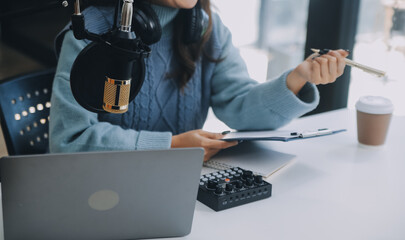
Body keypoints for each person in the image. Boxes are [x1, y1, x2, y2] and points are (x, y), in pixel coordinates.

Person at [49, 0, 349, 161]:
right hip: (108, 192)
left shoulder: (207, 27)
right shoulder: (89, 33)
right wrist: (168, 146)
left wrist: (297, 79)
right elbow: (69, 140)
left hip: (180, 188)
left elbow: (239, 107)